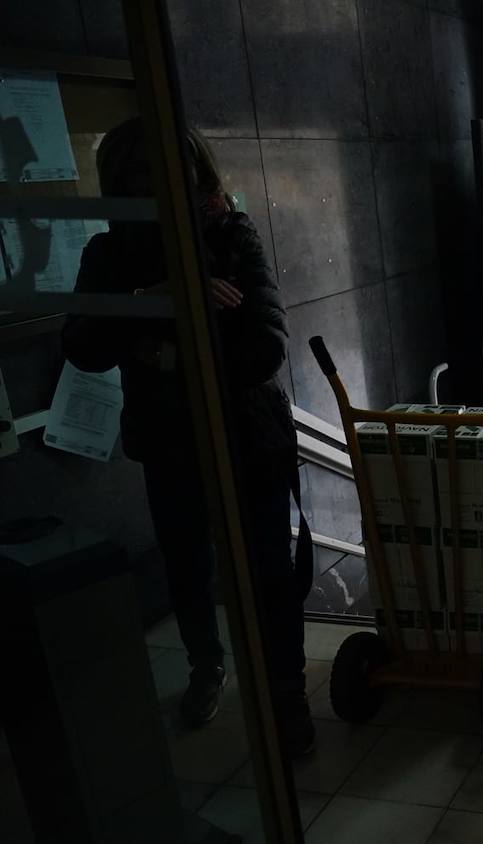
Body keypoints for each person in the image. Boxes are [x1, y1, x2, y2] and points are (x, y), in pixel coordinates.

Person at [62, 118, 314, 756]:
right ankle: (208, 666)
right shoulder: (109, 252)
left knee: (268, 571)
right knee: (187, 566)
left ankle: (285, 691)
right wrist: (161, 299)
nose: (162, 190)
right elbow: (83, 347)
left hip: (247, 435)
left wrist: (160, 350)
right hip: (169, 438)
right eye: (142, 179)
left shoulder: (230, 233)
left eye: (176, 175)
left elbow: (264, 348)